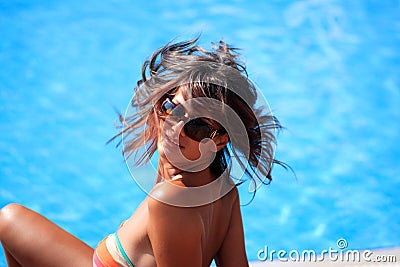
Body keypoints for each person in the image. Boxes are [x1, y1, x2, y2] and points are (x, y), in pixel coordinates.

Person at [0, 37, 282, 267]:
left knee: (10, 218)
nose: (174, 128)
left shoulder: (169, 201)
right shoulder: (225, 191)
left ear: (219, 141)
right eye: (171, 107)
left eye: (195, 126)